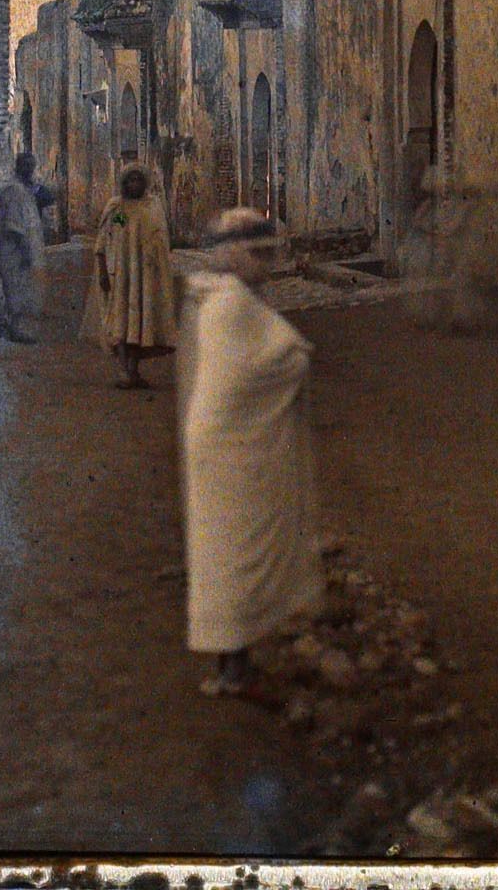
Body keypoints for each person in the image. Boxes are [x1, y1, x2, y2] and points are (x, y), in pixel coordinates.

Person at [177, 207, 322, 697]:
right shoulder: (231, 305)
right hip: (231, 453)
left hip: (224, 450)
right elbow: (275, 360)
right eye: (259, 254)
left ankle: (234, 663)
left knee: (225, 556)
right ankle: (233, 669)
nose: (267, 264)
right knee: (232, 558)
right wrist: (297, 354)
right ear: (237, 257)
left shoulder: (220, 297)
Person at [94, 163, 177, 389]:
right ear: (124, 183)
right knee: (121, 322)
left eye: (138, 180)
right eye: (130, 180)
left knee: (140, 324)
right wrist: (103, 271)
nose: (134, 184)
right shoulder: (118, 209)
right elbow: (107, 239)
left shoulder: (152, 207)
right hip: (122, 276)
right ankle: (124, 371)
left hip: (145, 277)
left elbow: (159, 241)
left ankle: (134, 371)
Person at [0, 151, 47, 343]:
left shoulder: (26, 189)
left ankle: (21, 330)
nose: (29, 170)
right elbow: (12, 224)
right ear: (18, 166)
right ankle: (16, 330)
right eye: (25, 166)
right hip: (15, 250)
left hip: (26, 248)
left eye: (31, 167)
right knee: (16, 289)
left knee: (26, 289)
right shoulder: (13, 190)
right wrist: (24, 250)